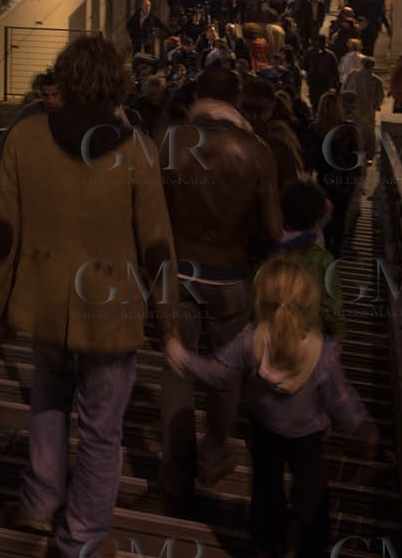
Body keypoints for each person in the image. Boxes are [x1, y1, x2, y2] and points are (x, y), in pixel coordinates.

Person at [0, 36, 177, 558]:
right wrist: (170, 319)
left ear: (64, 80)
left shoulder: (24, 139)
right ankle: (82, 535)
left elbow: (5, 231)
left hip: (45, 302)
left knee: (48, 397)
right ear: (116, 83)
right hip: (111, 311)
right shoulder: (136, 149)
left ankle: (38, 501)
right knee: (102, 428)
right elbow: (156, 242)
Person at [165, 258, 376, 558]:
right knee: (311, 497)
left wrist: (183, 356)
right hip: (309, 438)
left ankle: (264, 545)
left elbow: (217, 372)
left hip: (264, 431)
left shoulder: (251, 339)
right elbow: (339, 398)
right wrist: (361, 426)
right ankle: (301, 547)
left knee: (265, 492)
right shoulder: (323, 351)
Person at [158, 65, 280, 516]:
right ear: (238, 100)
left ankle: (175, 472)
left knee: (177, 370)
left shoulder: (172, 141)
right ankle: (214, 450)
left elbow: (151, 210)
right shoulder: (256, 152)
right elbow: (272, 230)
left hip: (178, 272)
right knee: (226, 371)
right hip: (230, 276)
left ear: (199, 95)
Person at [269, 180, 345, 341]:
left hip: (272, 331)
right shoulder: (321, 259)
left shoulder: (269, 251)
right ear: (316, 219)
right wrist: (338, 334)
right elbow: (331, 303)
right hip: (308, 335)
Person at [309, 93, 359, 262]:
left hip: (321, 182)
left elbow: (310, 158)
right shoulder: (349, 130)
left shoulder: (313, 129)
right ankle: (335, 254)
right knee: (339, 218)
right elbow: (355, 161)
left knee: (321, 219)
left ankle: (321, 251)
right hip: (342, 182)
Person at [342, 56, 386, 161]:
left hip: (352, 109)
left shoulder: (353, 75)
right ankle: (368, 154)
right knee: (368, 132)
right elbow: (380, 96)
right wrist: (376, 106)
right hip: (368, 111)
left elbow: (344, 89)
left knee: (353, 130)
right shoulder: (376, 80)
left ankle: (352, 152)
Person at [303, 37, 338, 108]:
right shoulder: (330, 55)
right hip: (325, 83)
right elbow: (335, 71)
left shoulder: (309, 52)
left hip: (313, 82)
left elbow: (304, 67)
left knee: (314, 103)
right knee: (325, 103)